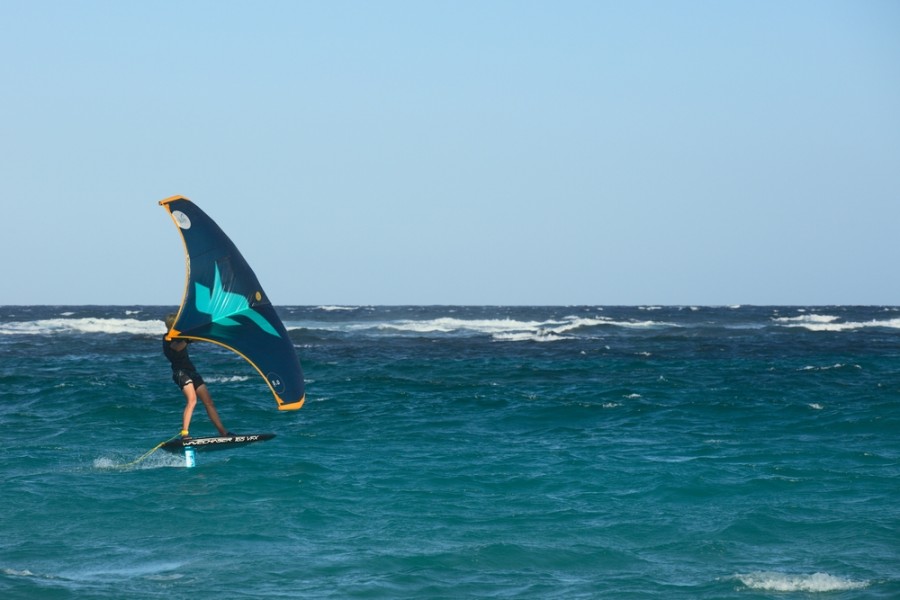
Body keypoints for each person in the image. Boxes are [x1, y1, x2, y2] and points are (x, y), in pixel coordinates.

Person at [163, 313, 233, 439]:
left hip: (191, 371)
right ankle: (185, 434)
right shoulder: (167, 338)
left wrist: (209, 332)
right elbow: (177, 347)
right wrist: (188, 339)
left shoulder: (181, 336)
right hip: (181, 373)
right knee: (192, 400)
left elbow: (196, 339)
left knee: (209, 402)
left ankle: (223, 432)